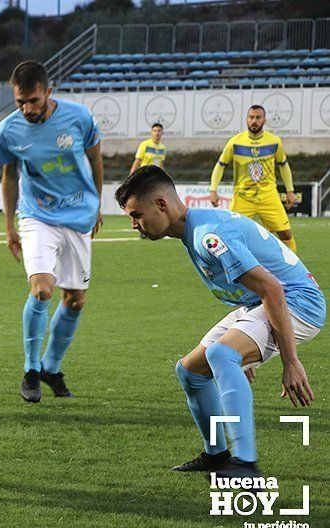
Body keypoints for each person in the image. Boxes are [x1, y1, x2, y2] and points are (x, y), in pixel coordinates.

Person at [116, 166, 324, 479]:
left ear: (161, 205)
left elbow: (273, 289)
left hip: (296, 303)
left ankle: (245, 464)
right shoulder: (196, 228)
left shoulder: (208, 236)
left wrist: (290, 361)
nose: (135, 225)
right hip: (259, 302)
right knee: (191, 371)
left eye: (136, 215)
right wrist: (245, 342)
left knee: (221, 354)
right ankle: (216, 454)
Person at [0, 60, 104, 403]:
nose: (27, 109)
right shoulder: (7, 131)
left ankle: (51, 368)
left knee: (75, 299)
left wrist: (97, 203)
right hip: (36, 215)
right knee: (42, 289)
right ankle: (30, 369)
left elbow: (96, 158)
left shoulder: (79, 118)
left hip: (78, 215)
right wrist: (9, 226)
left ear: (49, 92)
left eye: (34, 101)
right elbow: (10, 176)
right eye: (20, 102)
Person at [209, 105, 298, 252]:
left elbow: (283, 165)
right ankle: (236, 269)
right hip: (243, 196)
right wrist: (213, 190)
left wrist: (290, 190)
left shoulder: (274, 142)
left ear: (264, 120)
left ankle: (295, 270)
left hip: (268, 195)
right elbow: (220, 165)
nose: (254, 121)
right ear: (246, 119)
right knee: (230, 234)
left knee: (285, 232)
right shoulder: (235, 142)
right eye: (251, 117)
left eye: (258, 117)